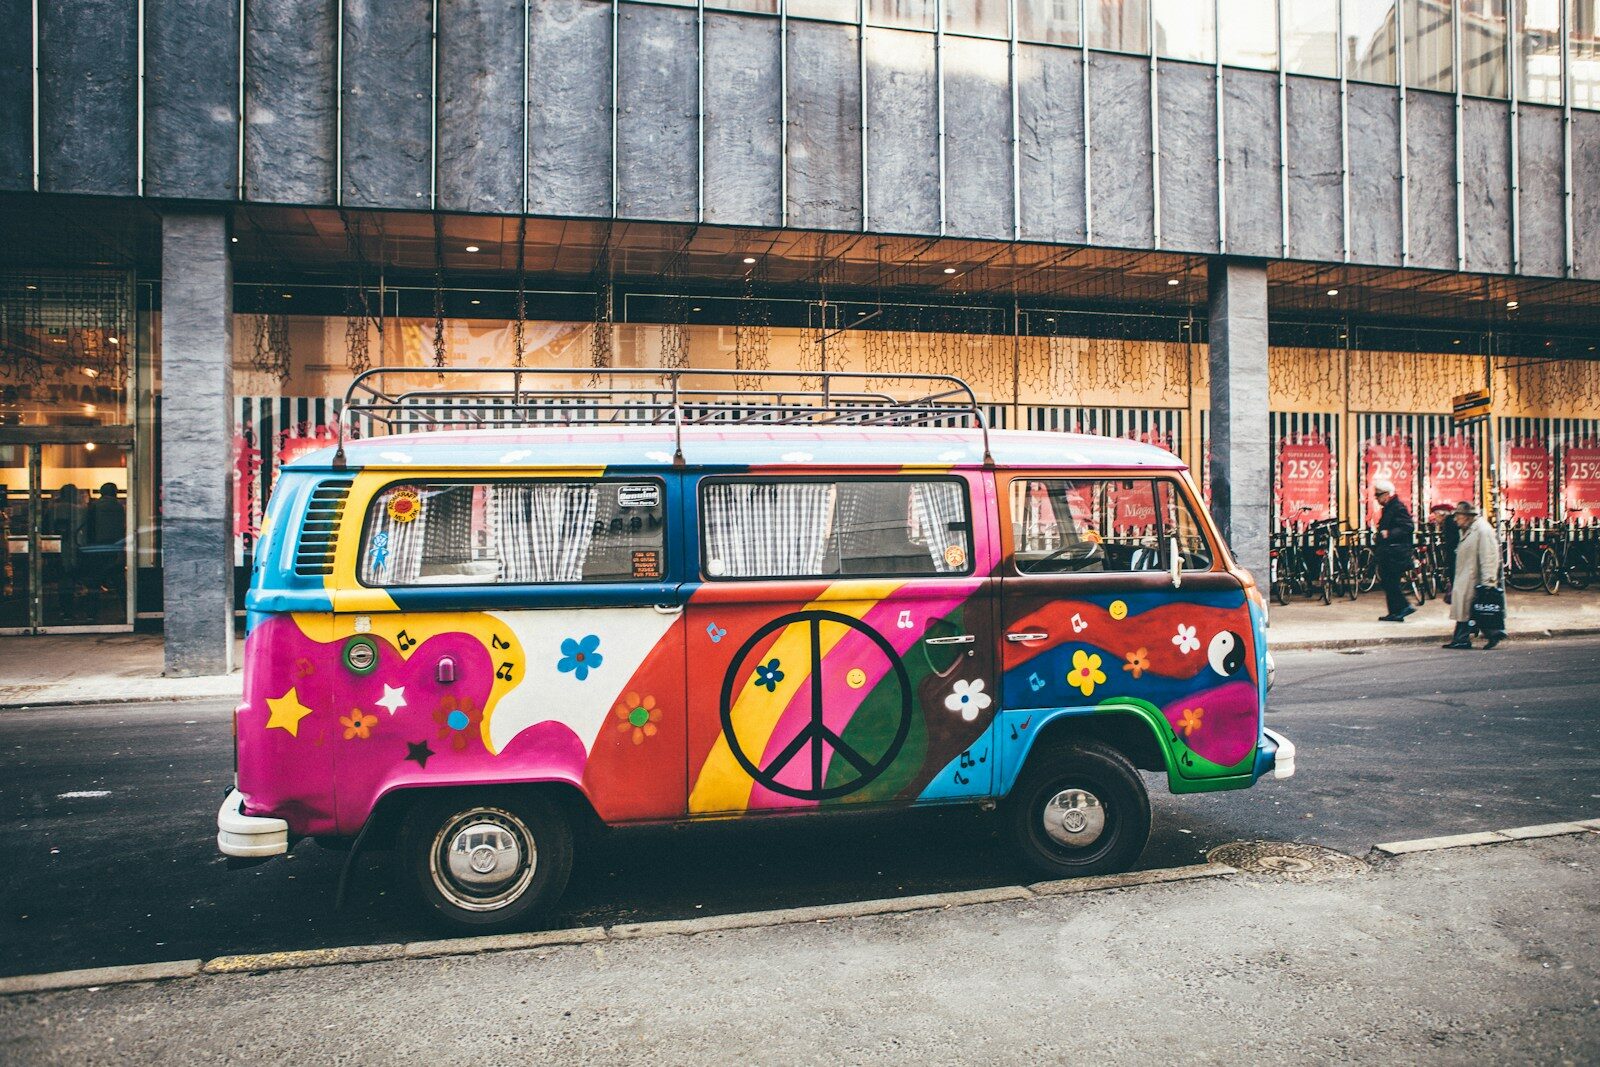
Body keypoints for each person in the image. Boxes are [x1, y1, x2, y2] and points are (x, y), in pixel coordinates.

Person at [1444, 500, 1505, 650]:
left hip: (1475, 578)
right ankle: (1461, 639)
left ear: (1466, 516)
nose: (1455, 519)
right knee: (1468, 611)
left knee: (1477, 609)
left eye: (1458, 516)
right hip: (1466, 577)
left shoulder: (1482, 530)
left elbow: (1489, 557)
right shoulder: (1467, 529)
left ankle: (1491, 633)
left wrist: (1488, 582)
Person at [1372, 477, 1415, 621]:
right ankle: (1395, 612)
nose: (1377, 498)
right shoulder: (1390, 507)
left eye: (1378, 495)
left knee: (1391, 581)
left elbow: (1408, 526)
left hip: (1396, 552)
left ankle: (1404, 607)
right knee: (1388, 581)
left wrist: (1389, 533)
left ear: (1387, 494)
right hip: (1390, 552)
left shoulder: (1397, 507)